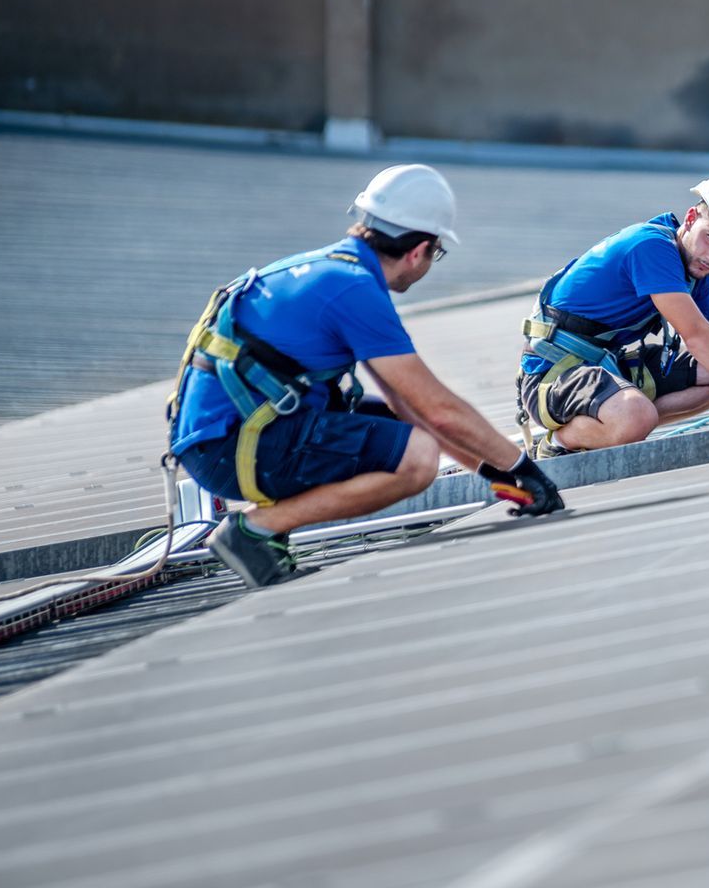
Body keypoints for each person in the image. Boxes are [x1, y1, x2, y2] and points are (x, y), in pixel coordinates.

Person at [168, 164, 564, 588]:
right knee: (416, 460)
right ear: (419, 251)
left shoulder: (328, 269)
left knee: (396, 430)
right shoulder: (354, 290)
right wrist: (524, 466)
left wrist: (496, 475)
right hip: (234, 448)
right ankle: (254, 532)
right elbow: (439, 407)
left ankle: (269, 531)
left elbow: (409, 407)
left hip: (223, 439)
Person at [517, 171, 709, 454]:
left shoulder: (698, 272)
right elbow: (697, 336)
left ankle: (619, 422)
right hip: (551, 377)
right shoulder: (651, 248)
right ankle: (559, 443)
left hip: (604, 367)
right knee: (638, 416)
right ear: (691, 218)